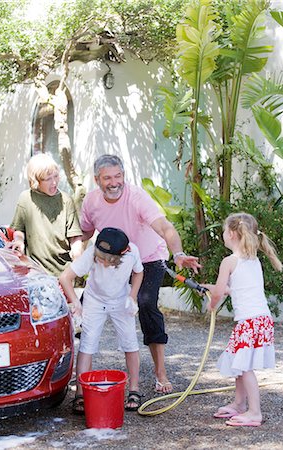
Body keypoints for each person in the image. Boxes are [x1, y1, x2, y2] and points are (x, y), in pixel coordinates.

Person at [79, 154, 201, 394]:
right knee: (82, 308)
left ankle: (160, 373)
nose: (114, 182)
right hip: (114, 259)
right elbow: (84, 232)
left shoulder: (136, 198)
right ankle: (79, 382)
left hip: (147, 258)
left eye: (118, 176)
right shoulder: (91, 202)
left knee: (145, 304)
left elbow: (165, 227)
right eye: (107, 178)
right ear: (97, 180)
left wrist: (177, 254)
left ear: (123, 175)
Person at [202, 212, 283, 427]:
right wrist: (221, 290)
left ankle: (254, 412)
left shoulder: (229, 261)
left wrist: (212, 304)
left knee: (245, 367)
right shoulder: (252, 259)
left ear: (230, 234)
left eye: (223, 231)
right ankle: (239, 404)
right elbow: (238, 288)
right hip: (260, 320)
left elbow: (218, 293)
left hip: (250, 322)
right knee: (239, 362)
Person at [59, 227, 144, 414]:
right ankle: (80, 395)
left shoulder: (132, 253)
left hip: (121, 300)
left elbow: (139, 273)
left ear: (123, 254)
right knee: (87, 346)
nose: (102, 262)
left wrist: (133, 296)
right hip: (94, 301)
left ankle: (134, 390)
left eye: (108, 260)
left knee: (130, 343)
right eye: (100, 258)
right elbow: (65, 277)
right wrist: (76, 303)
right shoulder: (92, 252)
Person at [9, 153, 83, 276]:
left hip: (62, 271)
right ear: (35, 181)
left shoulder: (66, 200)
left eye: (56, 176)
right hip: (33, 270)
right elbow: (19, 229)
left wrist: (78, 256)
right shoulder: (25, 198)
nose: (54, 182)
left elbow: (75, 237)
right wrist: (19, 241)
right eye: (48, 179)